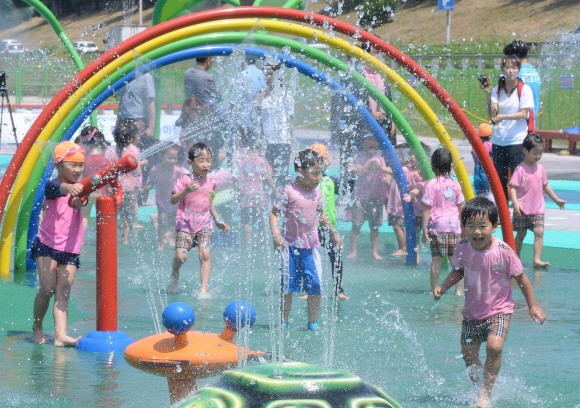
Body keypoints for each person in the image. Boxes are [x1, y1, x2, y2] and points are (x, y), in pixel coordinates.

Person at [434, 197, 546, 408]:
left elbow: (521, 278)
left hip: (499, 310)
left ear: (495, 226)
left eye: (483, 226)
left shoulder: (504, 252)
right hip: (471, 314)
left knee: (494, 346)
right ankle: (480, 388)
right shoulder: (463, 248)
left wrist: (532, 305)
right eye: (471, 226)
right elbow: (458, 271)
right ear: (463, 227)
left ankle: (485, 393)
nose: (477, 232)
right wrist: (443, 286)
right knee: (468, 354)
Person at [270, 149, 342, 331]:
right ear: (300, 171)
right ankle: (283, 321)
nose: (319, 177)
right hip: (289, 246)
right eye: (315, 173)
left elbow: (322, 215)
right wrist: (276, 235)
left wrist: (333, 233)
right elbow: (274, 214)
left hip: (311, 247)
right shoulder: (288, 191)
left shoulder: (317, 191)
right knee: (288, 285)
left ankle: (313, 322)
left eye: (321, 173)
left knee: (315, 284)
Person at [30, 141, 86, 346]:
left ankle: (60, 335)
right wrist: (70, 188)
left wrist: (80, 198)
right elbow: (59, 189)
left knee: (63, 291)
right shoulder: (52, 186)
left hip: (70, 249)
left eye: (80, 165)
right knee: (47, 289)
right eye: (73, 165)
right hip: (47, 245)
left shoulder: (81, 188)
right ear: (59, 166)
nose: (78, 169)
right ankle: (37, 326)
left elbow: (80, 200)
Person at [169, 142, 230, 296]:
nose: (206, 164)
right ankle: (175, 274)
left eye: (208, 160)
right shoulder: (184, 180)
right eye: (201, 160)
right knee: (181, 256)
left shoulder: (212, 182)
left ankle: (203, 289)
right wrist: (186, 190)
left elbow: (209, 202)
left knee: (205, 254)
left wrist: (218, 220)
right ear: (190, 163)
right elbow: (173, 200)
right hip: (185, 224)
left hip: (204, 224)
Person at [481, 55, 534, 202]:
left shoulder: (524, 89)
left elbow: (524, 114)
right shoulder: (498, 90)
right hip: (499, 142)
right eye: (508, 67)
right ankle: (502, 214)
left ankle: (521, 211)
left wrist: (504, 117)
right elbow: (492, 114)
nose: (511, 71)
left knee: (519, 180)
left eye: (514, 67)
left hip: (517, 142)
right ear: (502, 69)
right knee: (499, 181)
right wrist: (488, 93)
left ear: (519, 70)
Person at [509, 133, 566, 267]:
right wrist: (515, 204)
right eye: (535, 153)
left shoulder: (540, 168)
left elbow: (545, 185)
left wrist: (556, 200)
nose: (538, 156)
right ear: (525, 151)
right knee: (521, 234)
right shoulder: (520, 169)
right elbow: (512, 188)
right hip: (522, 208)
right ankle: (516, 259)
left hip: (538, 208)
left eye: (540, 153)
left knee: (539, 232)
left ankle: (536, 259)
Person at [421, 148, 464, 295]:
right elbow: (461, 207)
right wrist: (463, 228)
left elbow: (427, 207)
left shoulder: (431, 184)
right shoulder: (455, 184)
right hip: (454, 226)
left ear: (432, 164)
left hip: (438, 226)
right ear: (451, 165)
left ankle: (435, 289)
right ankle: (458, 290)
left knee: (437, 260)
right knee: (456, 262)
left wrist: (424, 227)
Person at [310, 143, 348, 300]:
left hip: (328, 227)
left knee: (336, 255)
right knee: (310, 258)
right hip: (310, 227)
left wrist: (351, 178)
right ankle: (309, 289)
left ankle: (338, 289)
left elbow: (346, 192)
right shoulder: (306, 181)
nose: (321, 163)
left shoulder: (332, 180)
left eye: (324, 159)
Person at [346, 134, 389, 260]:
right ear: (362, 142)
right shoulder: (358, 157)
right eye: (369, 140)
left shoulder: (380, 158)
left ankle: (374, 252)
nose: (372, 142)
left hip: (376, 198)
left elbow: (385, 171)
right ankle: (354, 251)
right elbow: (360, 172)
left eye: (375, 140)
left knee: (374, 227)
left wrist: (387, 178)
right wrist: (370, 162)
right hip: (360, 198)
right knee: (356, 225)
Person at [142, 144, 188, 251]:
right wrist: (145, 191)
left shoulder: (177, 170)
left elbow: (184, 182)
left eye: (175, 158)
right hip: (161, 200)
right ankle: (161, 245)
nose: (172, 161)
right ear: (161, 156)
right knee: (163, 222)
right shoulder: (155, 170)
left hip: (175, 200)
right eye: (169, 158)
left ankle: (177, 241)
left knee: (175, 221)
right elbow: (150, 183)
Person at [237, 129, 275, 248]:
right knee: (261, 221)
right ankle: (263, 243)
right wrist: (274, 187)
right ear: (259, 148)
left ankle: (249, 244)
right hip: (259, 195)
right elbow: (266, 176)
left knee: (247, 221)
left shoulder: (242, 161)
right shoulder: (260, 160)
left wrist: (238, 192)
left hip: (245, 194)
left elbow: (237, 178)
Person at [107, 122, 144, 244]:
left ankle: (110, 237)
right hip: (127, 188)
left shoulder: (111, 152)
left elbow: (106, 170)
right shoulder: (131, 154)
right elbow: (137, 173)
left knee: (112, 214)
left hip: (113, 188)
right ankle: (125, 239)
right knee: (126, 215)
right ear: (129, 140)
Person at [261, 63, 294, 188]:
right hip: (266, 143)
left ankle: (281, 204)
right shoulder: (263, 94)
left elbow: (291, 119)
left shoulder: (285, 95)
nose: (266, 77)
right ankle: (269, 205)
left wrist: (291, 139)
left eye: (269, 74)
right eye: (265, 74)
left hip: (281, 142)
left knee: (281, 177)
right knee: (266, 177)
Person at [359, 41, 397, 146]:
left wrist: (392, 119)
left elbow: (389, 101)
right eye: (375, 53)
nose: (377, 56)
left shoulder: (382, 74)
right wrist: (369, 112)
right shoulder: (359, 73)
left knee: (386, 155)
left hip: (384, 122)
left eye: (378, 53)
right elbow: (355, 99)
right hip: (366, 124)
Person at [81, 126, 111, 242]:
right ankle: (103, 242)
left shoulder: (85, 160)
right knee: (102, 219)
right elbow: (109, 181)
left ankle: (81, 242)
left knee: (84, 218)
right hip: (102, 196)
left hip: (88, 194)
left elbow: (81, 179)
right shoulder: (106, 161)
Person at [504, 40, 541, 114]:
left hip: (517, 122)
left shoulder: (515, 74)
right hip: (531, 122)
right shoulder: (536, 74)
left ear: (514, 56)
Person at [472, 123, 493, 198]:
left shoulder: (475, 146)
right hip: (487, 175)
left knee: (480, 199)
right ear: (490, 135)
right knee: (492, 195)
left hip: (477, 175)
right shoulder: (491, 146)